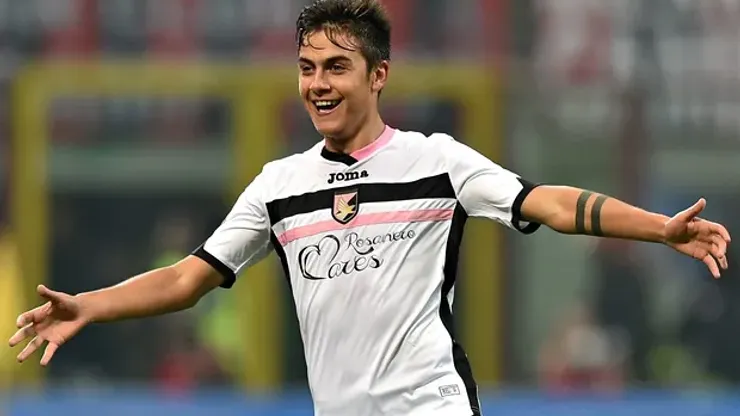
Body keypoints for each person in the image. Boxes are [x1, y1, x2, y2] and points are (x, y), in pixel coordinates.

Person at [8, 1, 732, 415]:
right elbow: (187, 277)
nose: (318, 84)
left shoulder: (436, 161)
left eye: (336, 67)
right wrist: (91, 306)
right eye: (307, 68)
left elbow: (548, 202)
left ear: (378, 74)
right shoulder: (279, 184)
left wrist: (658, 228)